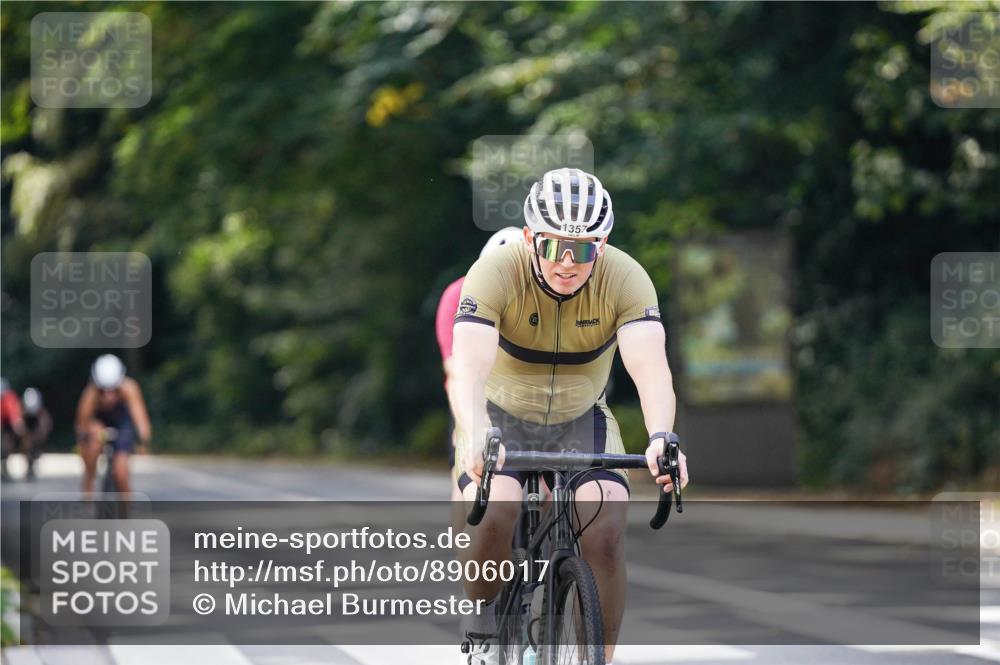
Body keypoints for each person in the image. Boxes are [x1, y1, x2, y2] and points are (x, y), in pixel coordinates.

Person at [450, 168, 689, 665]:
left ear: (601, 247)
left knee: (603, 529)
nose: (565, 263)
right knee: (496, 511)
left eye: (580, 250)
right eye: (552, 247)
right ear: (530, 238)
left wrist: (662, 436)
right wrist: (475, 432)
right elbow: (468, 369)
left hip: (582, 417)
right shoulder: (496, 270)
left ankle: (598, 657)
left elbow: (650, 369)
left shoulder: (626, 278)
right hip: (501, 416)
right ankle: (482, 617)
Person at [436, 227, 524, 501]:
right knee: (467, 478)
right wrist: (467, 426)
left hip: (520, 393)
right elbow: (455, 366)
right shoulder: (458, 294)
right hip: (472, 388)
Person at [75, 354, 152, 497]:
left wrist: (143, 440)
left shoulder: (130, 389)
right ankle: (89, 480)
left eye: (113, 390)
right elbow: (81, 423)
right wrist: (85, 440)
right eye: (103, 390)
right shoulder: (90, 394)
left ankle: (125, 511)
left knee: (121, 472)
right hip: (99, 424)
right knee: (93, 440)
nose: (108, 395)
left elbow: (140, 418)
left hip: (123, 424)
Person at [20, 387, 52, 481]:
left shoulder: (41, 412)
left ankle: (36, 452)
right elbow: (20, 424)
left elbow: (46, 424)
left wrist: (40, 436)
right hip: (27, 426)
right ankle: (29, 465)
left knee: (34, 441)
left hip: (37, 427)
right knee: (27, 443)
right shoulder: (22, 409)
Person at [1, 378, 26, 481]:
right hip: (4, 424)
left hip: (8, 425)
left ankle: (4, 466)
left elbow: (14, 414)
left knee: (7, 445)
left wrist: (18, 425)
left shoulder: (10, 398)